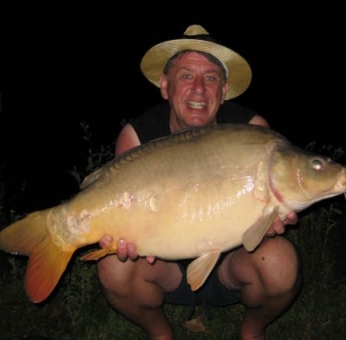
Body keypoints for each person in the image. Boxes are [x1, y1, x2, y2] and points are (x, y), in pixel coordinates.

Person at [97, 25, 301, 340]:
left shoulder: (254, 131)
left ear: (224, 89)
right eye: (187, 76)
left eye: (210, 78)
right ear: (165, 85)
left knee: (280, 262)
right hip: (162, 265)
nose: (199, 90)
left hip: (231, 261)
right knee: (114, 267)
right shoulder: (136, 135)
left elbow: (268, 207)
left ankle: (252, 330)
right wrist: (123, 235)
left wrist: (268, 220)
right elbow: (122, 205)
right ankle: (160, 333)